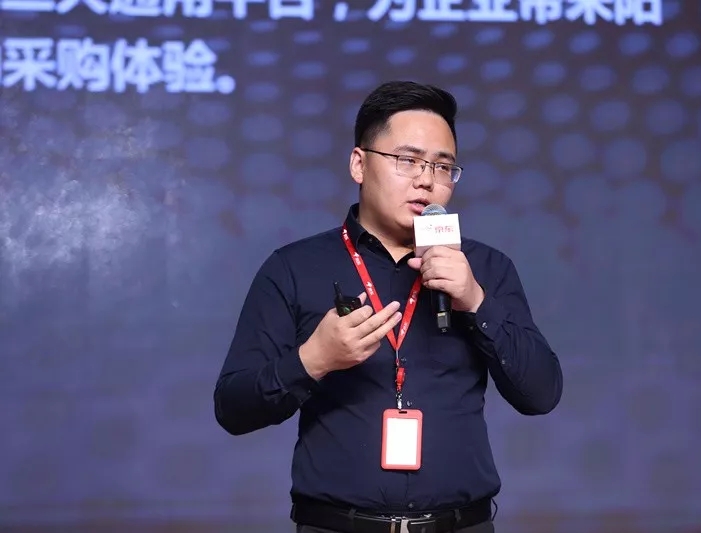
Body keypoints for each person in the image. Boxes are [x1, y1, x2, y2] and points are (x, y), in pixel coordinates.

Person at [214, 80, 563, 533]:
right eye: (408, 160)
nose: (426, 180)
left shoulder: (485, 269)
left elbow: (541, 394)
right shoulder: (295, 268)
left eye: (443, 167)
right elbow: (233, 408)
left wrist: (475, 301)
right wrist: (314, 360)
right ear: (359, 164)